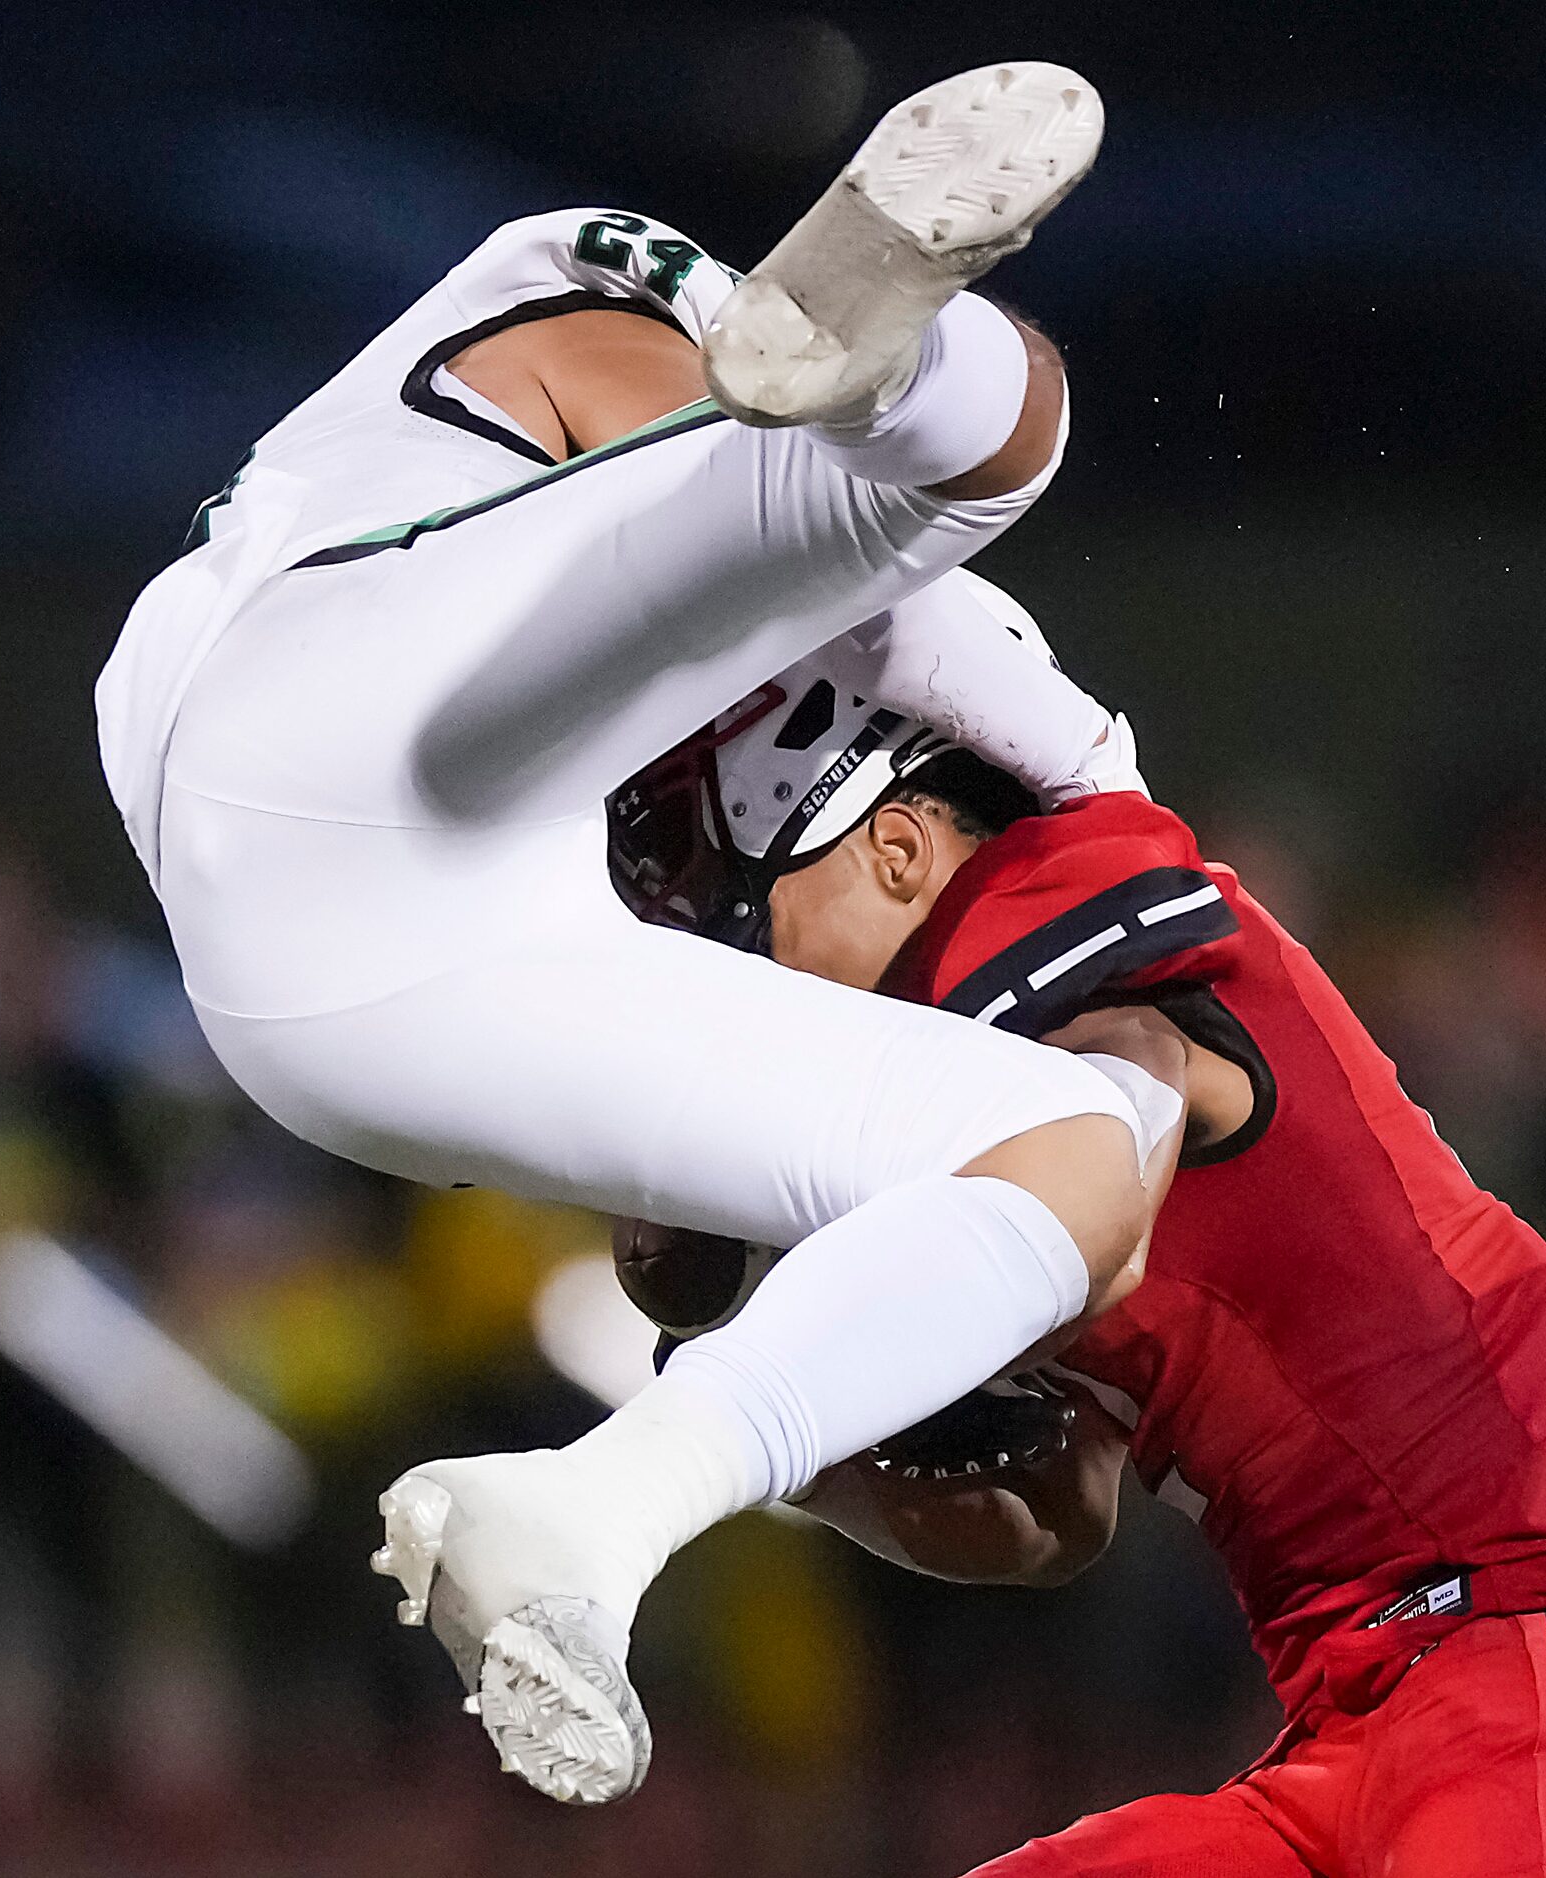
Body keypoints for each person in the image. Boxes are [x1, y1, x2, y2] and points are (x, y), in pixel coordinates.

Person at [95, 62, 1191, 1805]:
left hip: (345, 987)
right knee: (977, 450)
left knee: (1069, 1151)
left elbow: (673, 1268)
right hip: (326, 731)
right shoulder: (575, 304)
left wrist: (911, 1349)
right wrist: (1107, 792)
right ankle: (912, 366)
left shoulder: (725, 767)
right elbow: (738, 477)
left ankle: (594, 1517)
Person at [613, 651, 1546, 1877]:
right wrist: (774, 1444)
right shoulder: (965, 1163)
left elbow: (1125, 1109)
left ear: (895, 849)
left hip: (1532, 1640)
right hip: (1343, 1731)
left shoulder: (1049, 961)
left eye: (749, 916)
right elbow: (1058, 1512)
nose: (746, 976)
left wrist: (845, 1289)